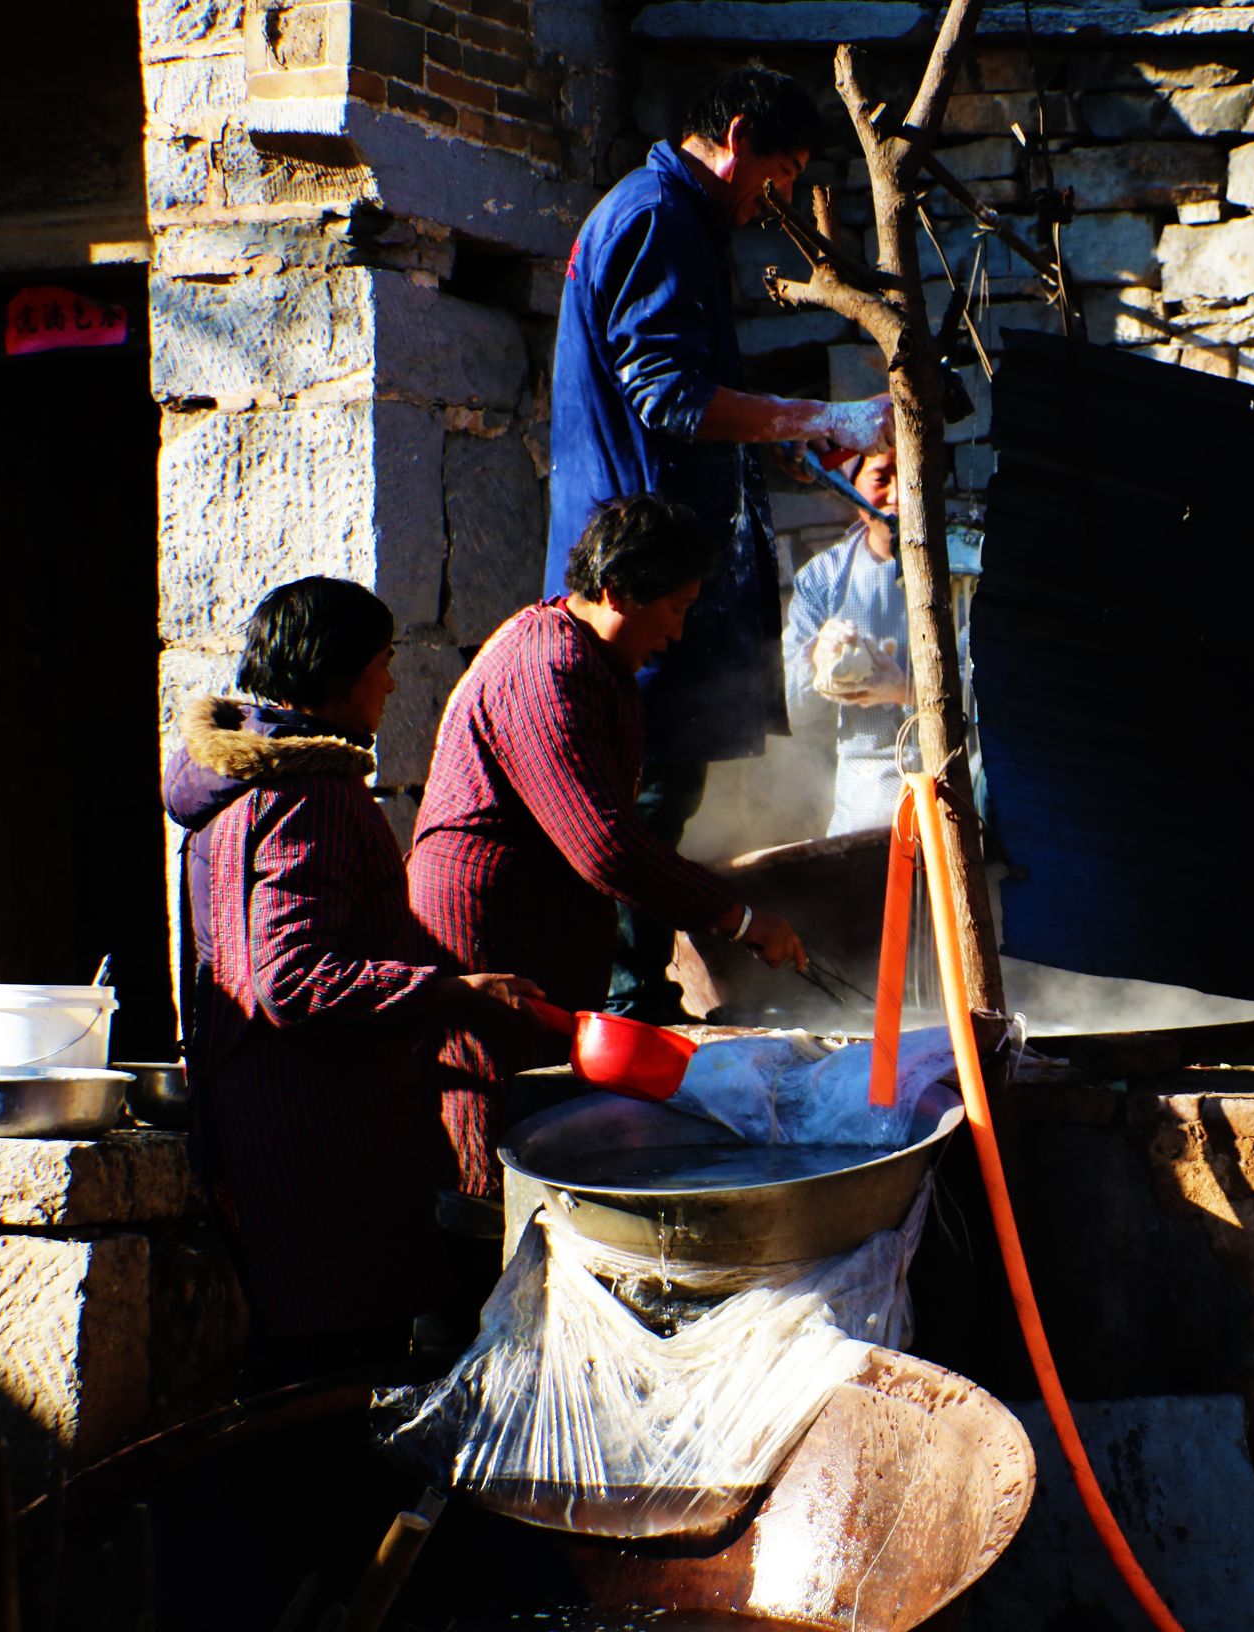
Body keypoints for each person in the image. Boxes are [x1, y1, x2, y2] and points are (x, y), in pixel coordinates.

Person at [550, 65, 893, 1023]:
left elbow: (681, 404)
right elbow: (667, 399)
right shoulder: (657, 217)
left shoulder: (668, 214)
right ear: (735, 136)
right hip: (638, 558)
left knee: (658, 791)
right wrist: (814, 414)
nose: (774, 201)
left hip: (654, 544)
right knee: (645, 795)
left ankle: (633, 994)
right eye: (778, 175)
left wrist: (786, 440)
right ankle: (626, 1007)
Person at [162, 577, 542, 1377]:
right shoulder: (312, 797)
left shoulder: (239, 789)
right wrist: (444, 993)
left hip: (256, 1120)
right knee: (331, 1379)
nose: (393, 681)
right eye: (383, 660)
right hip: (318, 1138)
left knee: (288, 1365)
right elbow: (289, 976)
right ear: (339, 673)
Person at [411, 495, 810, 1208]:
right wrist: (740, 921)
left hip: (542, 934)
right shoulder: (548, 666)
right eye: (673, 609)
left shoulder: (592, 661)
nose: (677, 634)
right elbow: (602, 845)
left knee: (541, 1132)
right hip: (490, 937)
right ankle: (470, 1304)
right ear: (618, 589)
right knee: (492, 1147)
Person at [783, 449, 917, 835]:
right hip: (867, 798)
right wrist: (814, 658)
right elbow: (792, 709)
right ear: (850, 487)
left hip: (955, 783)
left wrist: (906, 690)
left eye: (909, 476)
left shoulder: (966, 567)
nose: (898, 494)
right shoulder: (823, 579)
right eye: (880, 479)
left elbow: (989, 697)